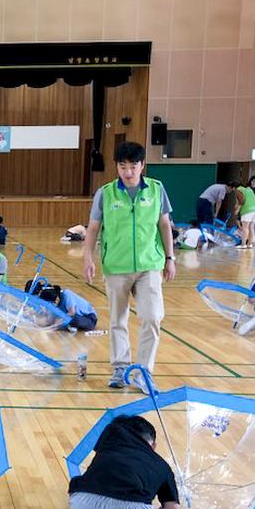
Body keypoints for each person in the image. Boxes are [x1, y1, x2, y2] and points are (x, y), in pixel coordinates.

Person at [83, 142, 175, 391]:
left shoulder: (156, 190)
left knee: (153, 316)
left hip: (149, 265)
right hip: (116, 266)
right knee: (117, 320)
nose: (128, 172)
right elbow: (93, 228)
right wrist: (88, 258)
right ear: (117, 167)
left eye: (133, 166)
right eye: (122, 166)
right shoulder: (105, 193)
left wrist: (170, 257)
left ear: (142, 165)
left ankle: (143, 373)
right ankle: (121, 369)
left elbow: (165, 225)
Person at [25, 279, 99, 332]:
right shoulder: (52, 299)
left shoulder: (67, 294)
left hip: (89, 319)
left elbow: (72, 312)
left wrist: (56, 323)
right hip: (74, 318)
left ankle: (72, 325)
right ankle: (70, 325)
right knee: (54, 319)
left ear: (56, 299)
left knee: (68, 318)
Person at [234, 180, 255, 248]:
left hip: (247, 210)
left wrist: (237, 210)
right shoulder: (248, 189)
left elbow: (241, 201)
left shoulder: (238, 190)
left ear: (234, 188)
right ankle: (249, 244)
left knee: (245, 228)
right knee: (251, 227)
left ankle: (243, 244)